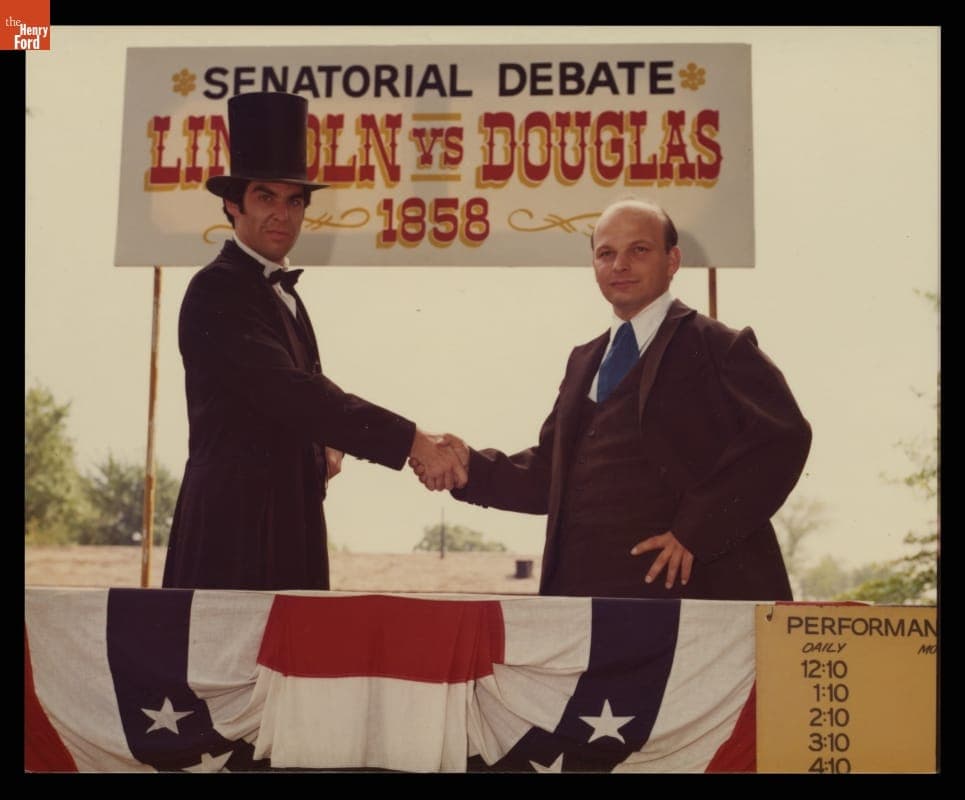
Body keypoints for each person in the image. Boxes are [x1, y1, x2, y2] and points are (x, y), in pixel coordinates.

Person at [412, 198, 811, 601]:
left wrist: (697, 533)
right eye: (606, 254)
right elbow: (551, 473)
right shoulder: (583, 359)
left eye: (638, 250)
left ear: (672, 261)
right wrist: (469, 469)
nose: (619, 265)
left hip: (687, 597)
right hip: (583, 598)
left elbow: (784, 437)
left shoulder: (717, 345)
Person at [162, 91, 466, 591]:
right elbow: (292, 393)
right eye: (266, 197)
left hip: (289, 526)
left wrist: (324, 439)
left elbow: (297, 393)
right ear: (231, 203)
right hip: (232, 539)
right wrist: (410, 440)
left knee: (293, 666)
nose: (282, 214)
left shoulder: (281, 293)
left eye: (294, 200)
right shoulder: (218, 288)